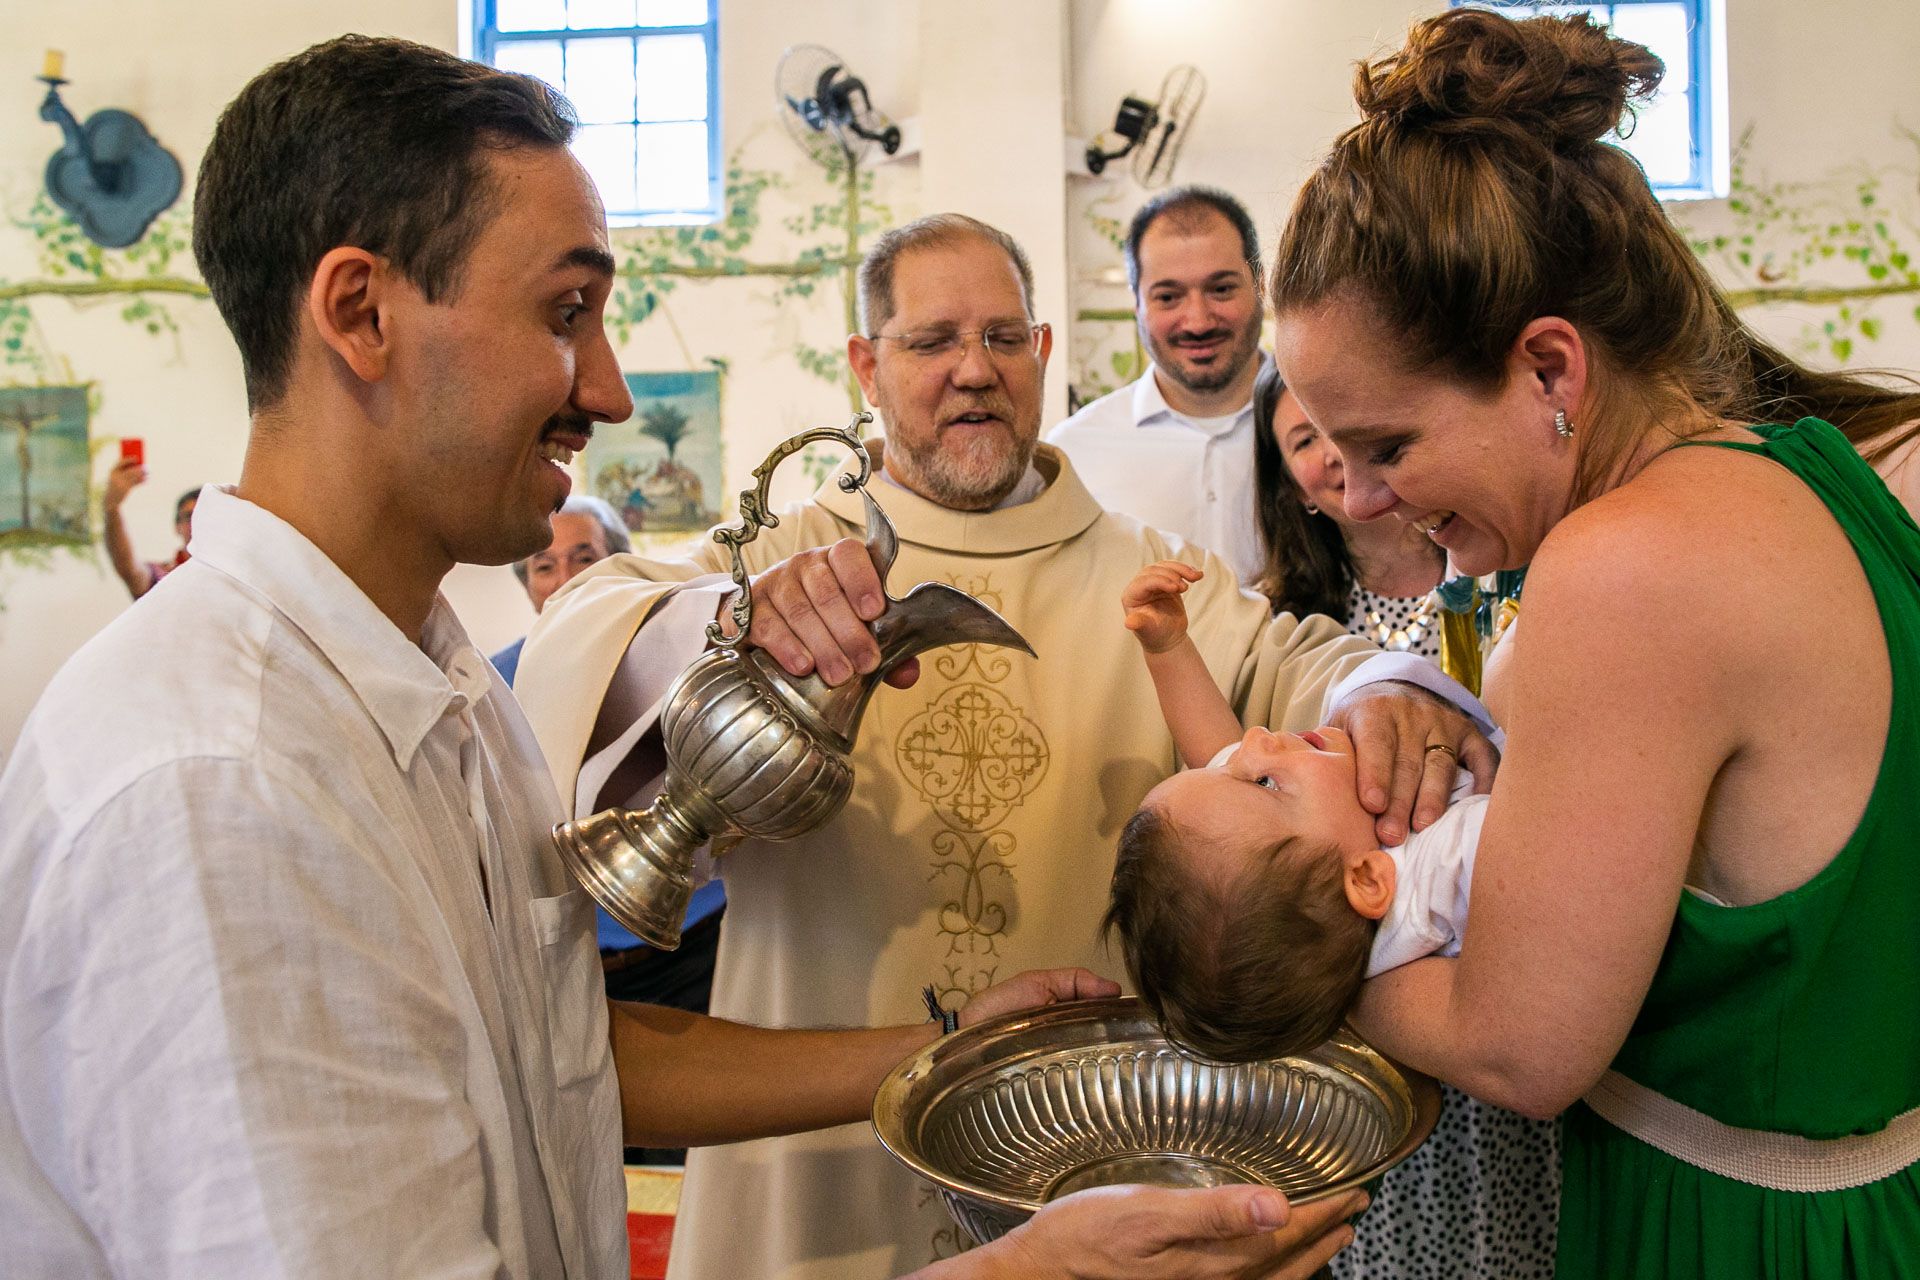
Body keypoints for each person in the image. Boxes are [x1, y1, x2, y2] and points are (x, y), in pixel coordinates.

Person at [0, 36, 1366, 1280]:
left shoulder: (430, 689)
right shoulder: (221, 786)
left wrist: (948, 1052)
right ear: (358, 314)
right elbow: (638, 628)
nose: (608, 388)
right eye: (564, 314)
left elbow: (559, 1061)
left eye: (1004, 338)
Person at [514, 211, 1500, 1280]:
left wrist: (1383, 684)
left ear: (1040, 354)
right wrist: (727, 616)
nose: (973, 371)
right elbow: (585, 627)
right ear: (866, 366)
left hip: (1082, 1159)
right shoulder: (788, 557)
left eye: (1001, 340)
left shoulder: (1148, 571)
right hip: (814, 1166)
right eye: (932, 342)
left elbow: (1299, 665)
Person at [1268, 10, 1920, 1278]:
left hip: (1731, 1232)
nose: (1366, 497)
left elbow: (1518, 1042)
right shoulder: (1809, 470)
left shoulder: (1626, 567)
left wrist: (1295, 960)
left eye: (1390, 444)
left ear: (1550, 370)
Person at [1255, 364, 1558, 1278]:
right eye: (1308, 443)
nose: (1343, 464)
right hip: (1384, 1030)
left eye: (1358, 432)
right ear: (1291, 486)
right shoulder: (1292, 624)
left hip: (1508, 977)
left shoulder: (1504, 572)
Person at [1046, 187, 1270, 583]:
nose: (1198, 321)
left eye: (1221, 289)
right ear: (1136, 304)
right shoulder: (1074, 455)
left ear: (1260, 286)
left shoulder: (1326, 429)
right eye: (1168, 297)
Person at [1253, 365, 1447, 658]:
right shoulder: (1277, 621)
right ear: (1291, 486)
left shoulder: (1492, 553)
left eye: (1338, 419)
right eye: (1306, 441)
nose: (1335, 453)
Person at [493, 492, 631, 684]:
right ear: (527, 587)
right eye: (545, 567)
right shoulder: (497, 680)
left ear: (622, 571)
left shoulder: (656, 654)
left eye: (584, 560)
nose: (566, 581)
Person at [101, 456, 196, 599]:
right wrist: (112, 508)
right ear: (177, 527)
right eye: (189, 517)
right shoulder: (163, 576)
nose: (197, 523)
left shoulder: (237, 574)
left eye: (206, 515)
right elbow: (131, 571)